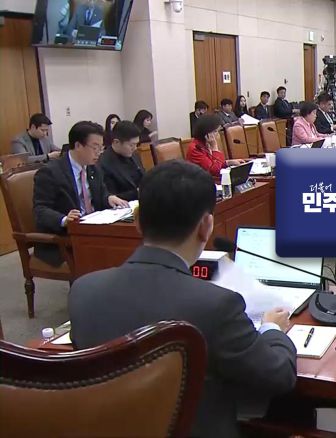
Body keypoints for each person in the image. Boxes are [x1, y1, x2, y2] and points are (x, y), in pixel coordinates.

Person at [68, 160, 297, 438]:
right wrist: (272, 328)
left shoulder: (83, 290)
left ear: (137, 221)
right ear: (206, 225)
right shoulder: (216, 305)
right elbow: (278, 376)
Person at [33, 121, 129, 266]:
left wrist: (109, 197)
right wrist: (64, 219)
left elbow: (100, 194)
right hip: (65, 238)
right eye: (95, 147)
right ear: (78, 145)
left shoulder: (94, 168)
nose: (99, 152)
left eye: (101, 148)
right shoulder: (50, 172)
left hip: (93, 230)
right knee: (114, 253)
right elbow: (40, 210)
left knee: (126, 244)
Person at [186, 115, 245, 181]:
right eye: (215, 131)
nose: (218, 134)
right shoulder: (195, 148)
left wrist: (228, 163)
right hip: (200, 182)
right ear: (206, 133)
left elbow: (214, 163)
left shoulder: (205, 143)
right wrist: (214, 148)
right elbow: (215, 171)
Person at [98, 120, 144, 201]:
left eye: (136, 144)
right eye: (131, 145)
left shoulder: (134, 155)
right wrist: (137, 192)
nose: (135, 148)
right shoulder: (103, 163)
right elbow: (110, 197)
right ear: (116, 142)